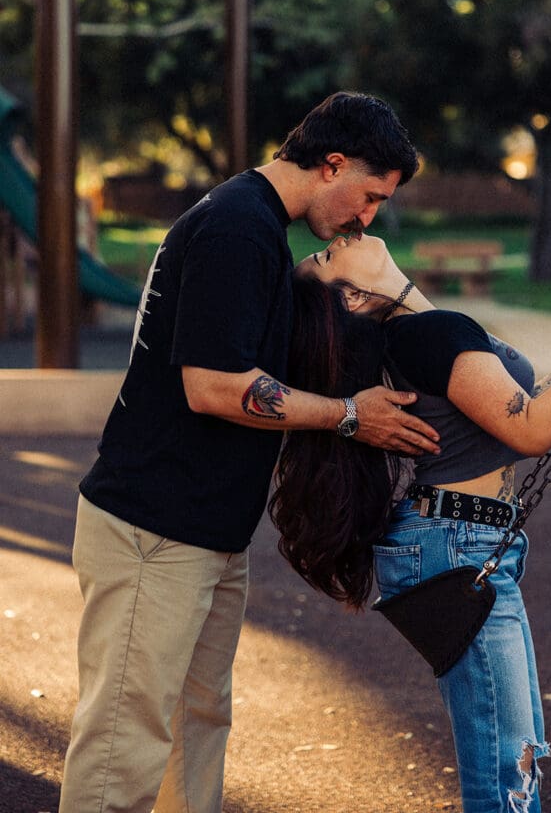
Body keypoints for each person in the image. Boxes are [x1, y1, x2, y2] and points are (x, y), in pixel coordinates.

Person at [58, 92, 442, 813]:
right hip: (153, 531)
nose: (365, 218)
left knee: (195, 730)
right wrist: (349, 417)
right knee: (123, 749)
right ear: (331, 164)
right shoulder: (237, 229)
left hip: (203, 533)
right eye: (368, 197)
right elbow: (213, 387)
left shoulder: (259, 228)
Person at [269, 232, 551, 813]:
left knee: (520, 754)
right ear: (353, 298)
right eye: (328, 256)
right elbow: (531, 428)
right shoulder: (427, 334)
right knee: (507, 768)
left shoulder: (421, 329)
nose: (342, 236)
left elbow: (518, 398)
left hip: (457, 537)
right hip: (456, 541)